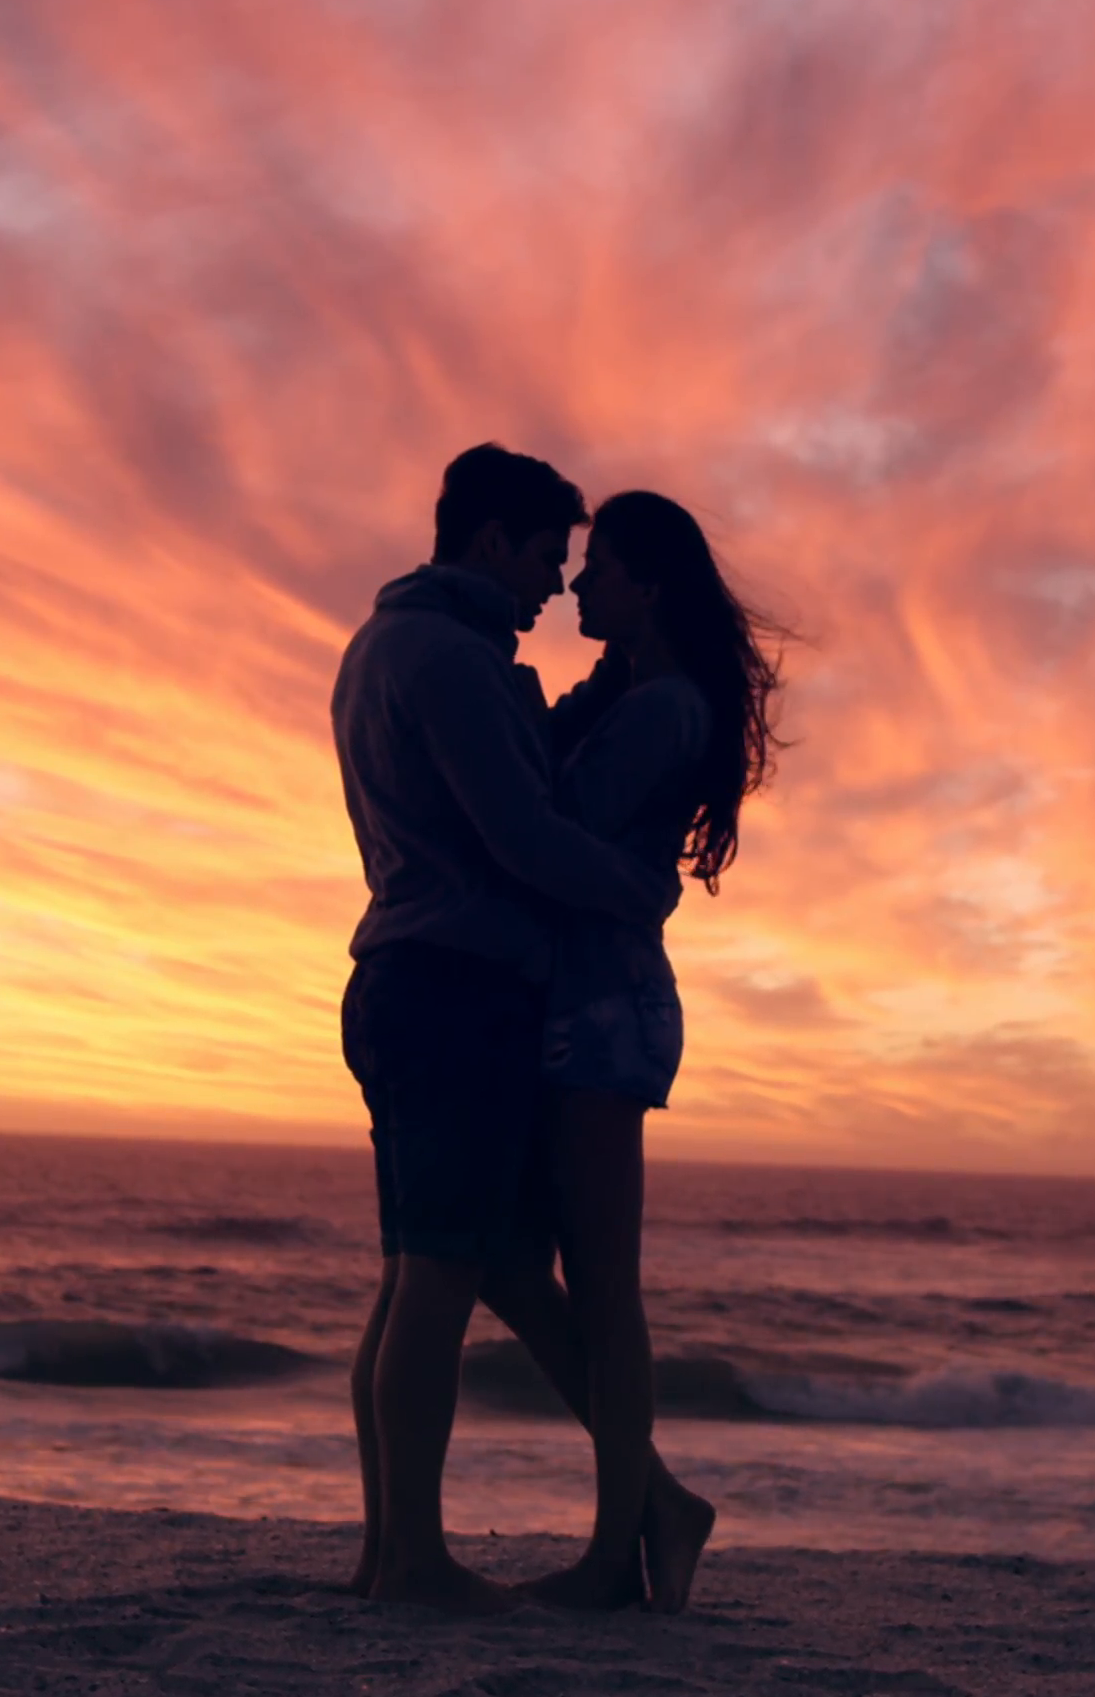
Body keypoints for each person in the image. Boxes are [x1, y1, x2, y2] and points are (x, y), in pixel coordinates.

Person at [330, 444, 682, 1613]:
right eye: (544, 556)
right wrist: (639, 892)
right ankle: (416, 1562)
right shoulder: (456, 661)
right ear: (489, 541)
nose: (552, 586)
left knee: (408, 1275)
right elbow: (520, 834)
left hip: (398, 973)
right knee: (436, 1278)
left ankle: (389, 1555)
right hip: (457, 982)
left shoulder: (385, 644)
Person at [474, 489, 778, 1612]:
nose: (581, 586)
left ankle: (616, 1552)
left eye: (601, 568)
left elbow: (548, 822)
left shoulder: (663, 710)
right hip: (576, 1004)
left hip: (607, 1012)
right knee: (509, 1265)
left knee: (603, 1289)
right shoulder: (630, 693)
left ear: (649, 586)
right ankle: (656, 1499)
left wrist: (502, 722)